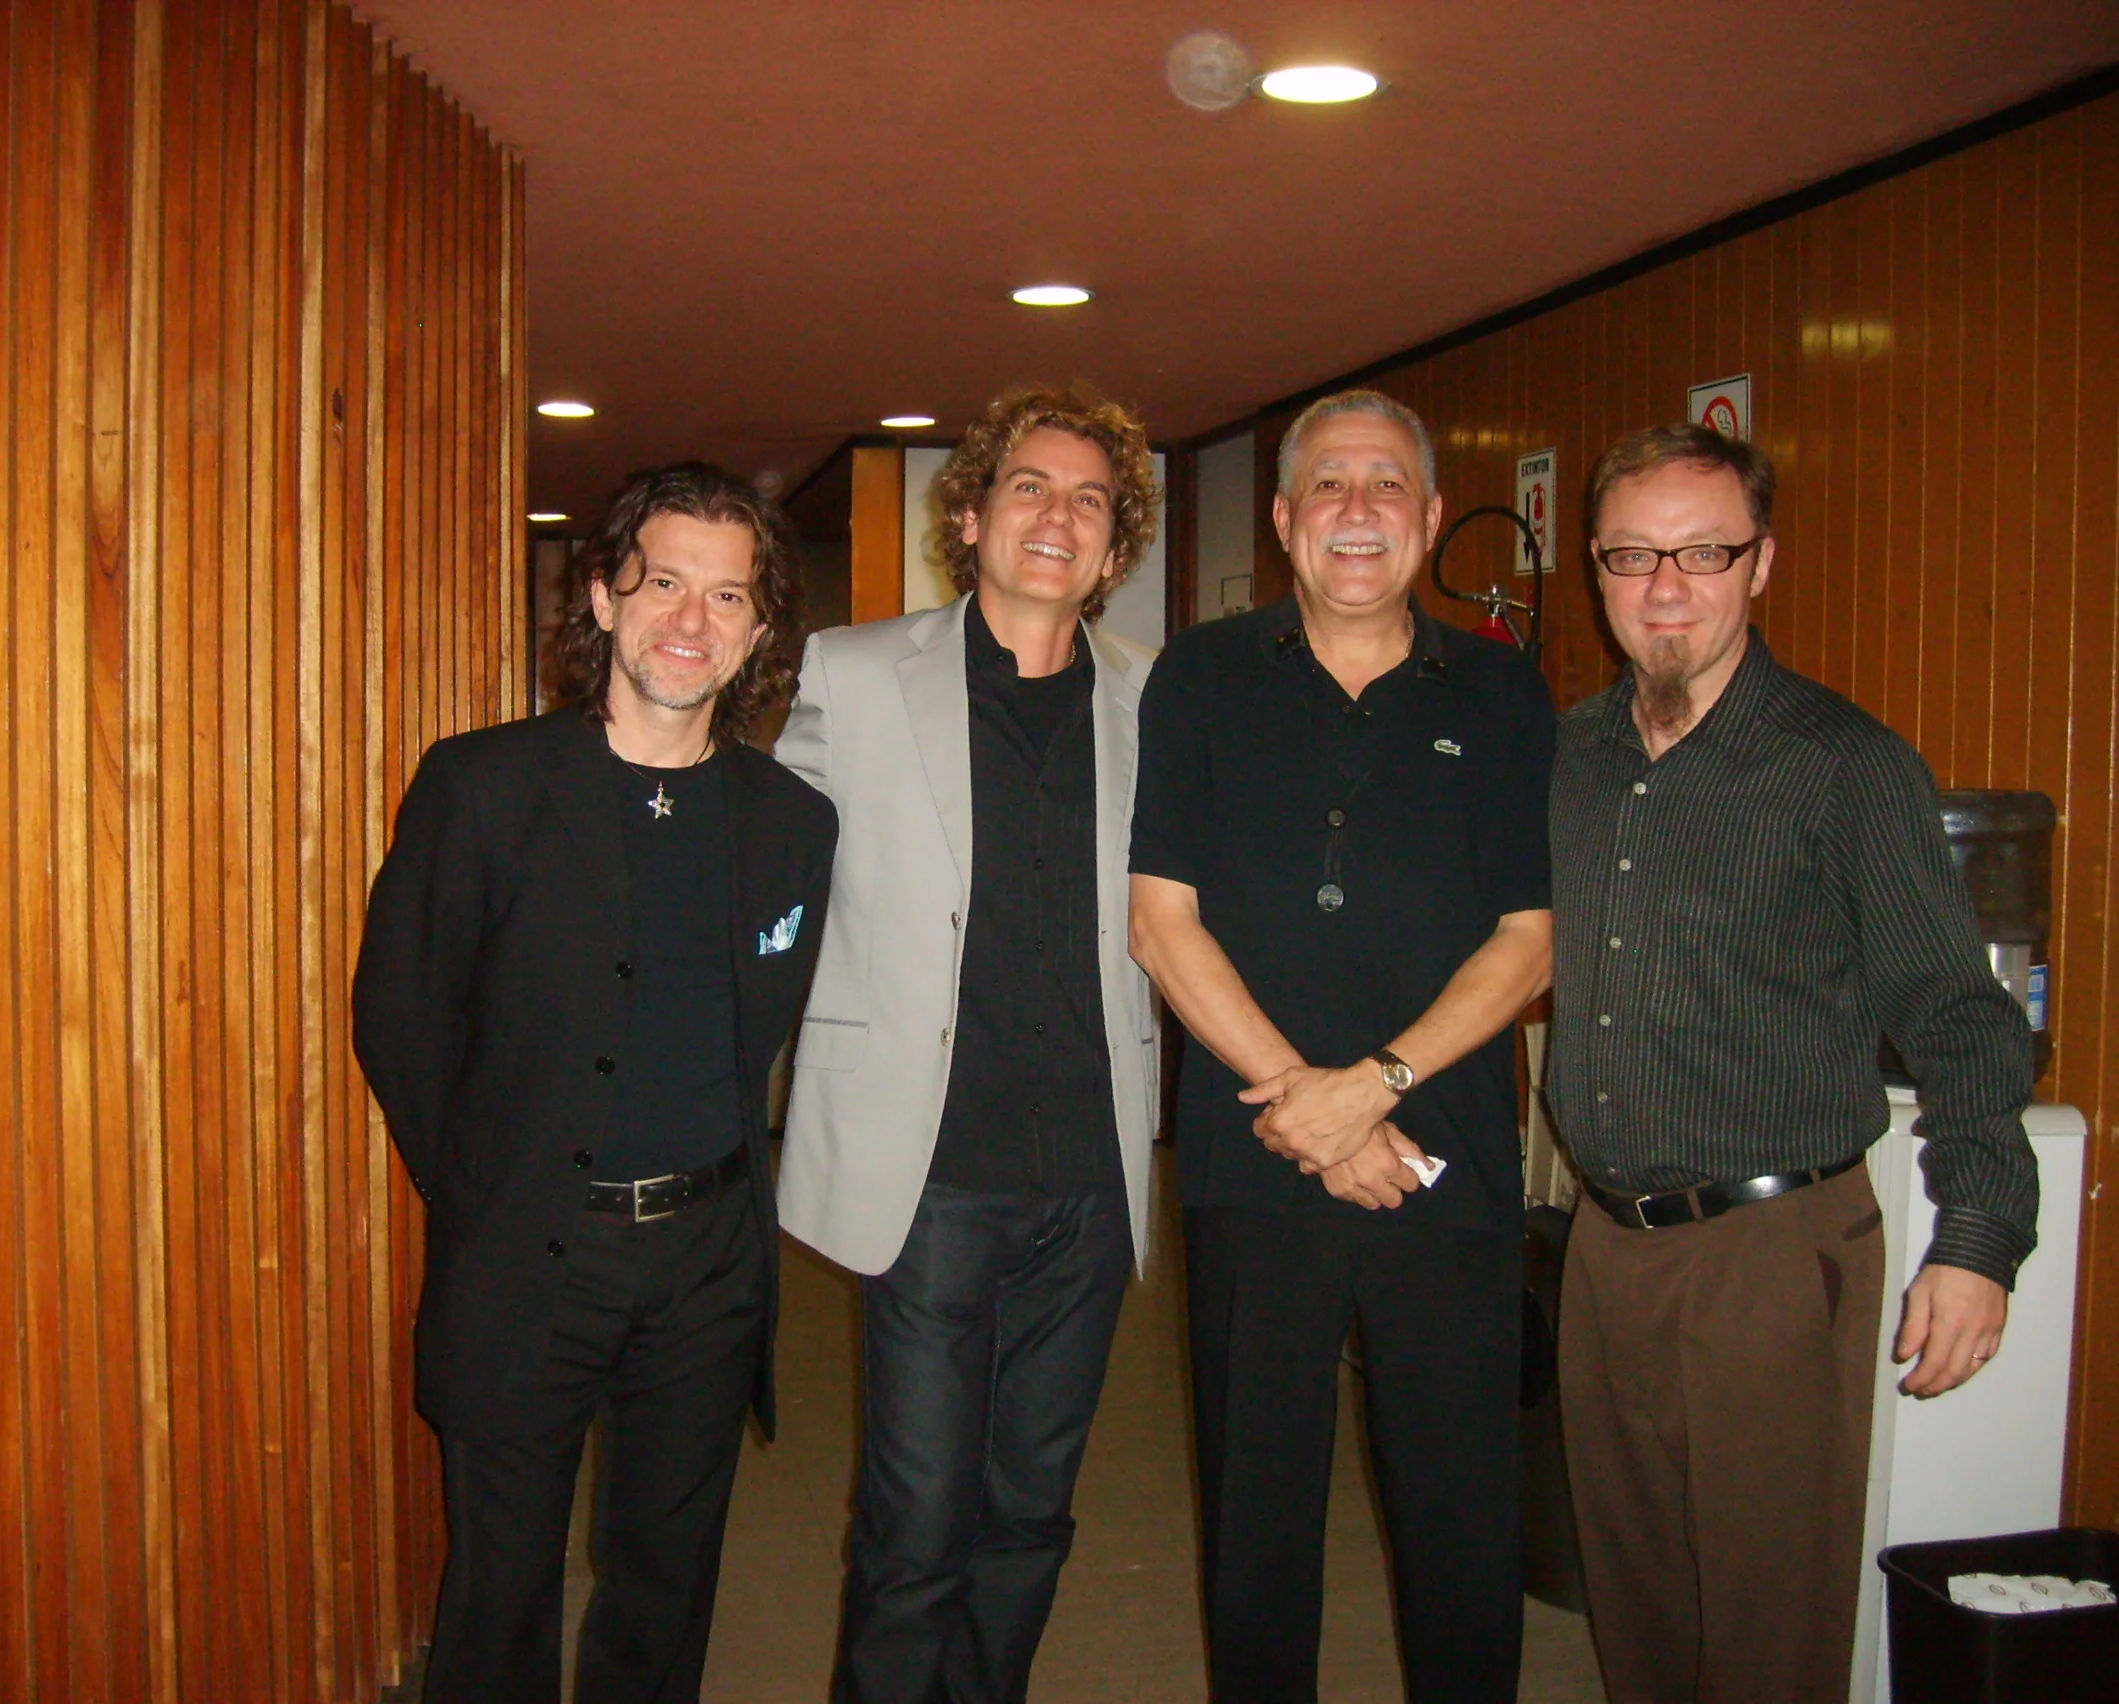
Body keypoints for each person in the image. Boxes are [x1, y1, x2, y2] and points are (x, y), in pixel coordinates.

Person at [1546, 422, 2039, 1703]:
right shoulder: (1569, 760)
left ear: (1760, 565)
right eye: (1632, 554)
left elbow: (1958, 1011)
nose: (1665, 586)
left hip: (1768, 1255)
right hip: (1605, 1248)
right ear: (1594, 571)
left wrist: (1979, 1235)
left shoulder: (1842, 767)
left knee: (1765, 1629)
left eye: (1703, 552)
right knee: (1636, 1603)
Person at [351, 463, 836, 1704]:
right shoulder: (482, 785)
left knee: (666, 1581)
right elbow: (400, 1017)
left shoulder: (790, 822)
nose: (691, 621)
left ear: (760, 630)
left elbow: (761, 1027)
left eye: (727, 597)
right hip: (530, 1251)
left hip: (708, 1262)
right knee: (500, 1586)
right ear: (605, 600)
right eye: (663, 582)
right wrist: (481, 1190)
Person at [1128, 388, 1554, 1703]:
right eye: (1328, 485)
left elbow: (1530, 936)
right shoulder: (1200, 676)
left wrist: (1371, 1091)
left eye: (1386, 487)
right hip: (1254, 1168)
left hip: (1450, 1162)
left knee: (1463, 1516)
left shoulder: (1499, 687)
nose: (1356, 510)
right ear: (1283, 520)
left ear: (1429, 521)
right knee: (1257, 1522)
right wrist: (1303, 1110)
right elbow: (1163, 923)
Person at [774, 382, 1163, 1704]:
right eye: (1031, 488)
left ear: (1115, 550)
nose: (1059, 517)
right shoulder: (852, 669)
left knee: (1032, 1513)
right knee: (918, 1520)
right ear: (974, 512)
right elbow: (759, 870)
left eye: (1091, 501)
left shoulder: (1154, 704)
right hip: (931, 1168)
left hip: (1093, 1183)